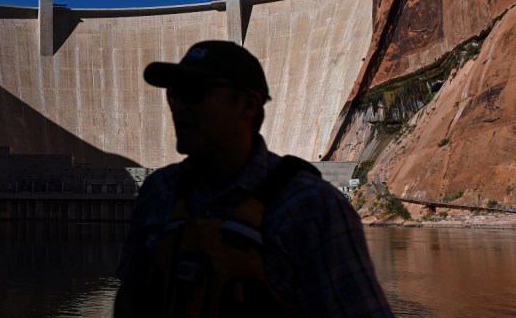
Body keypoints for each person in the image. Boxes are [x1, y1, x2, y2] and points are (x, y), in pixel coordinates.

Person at [114, 40, 394, 317]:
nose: (179, 107)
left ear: (248, 106)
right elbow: (130, 296)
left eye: (193, 92)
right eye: (174, 94)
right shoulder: (159, 191)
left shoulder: (310, 208)